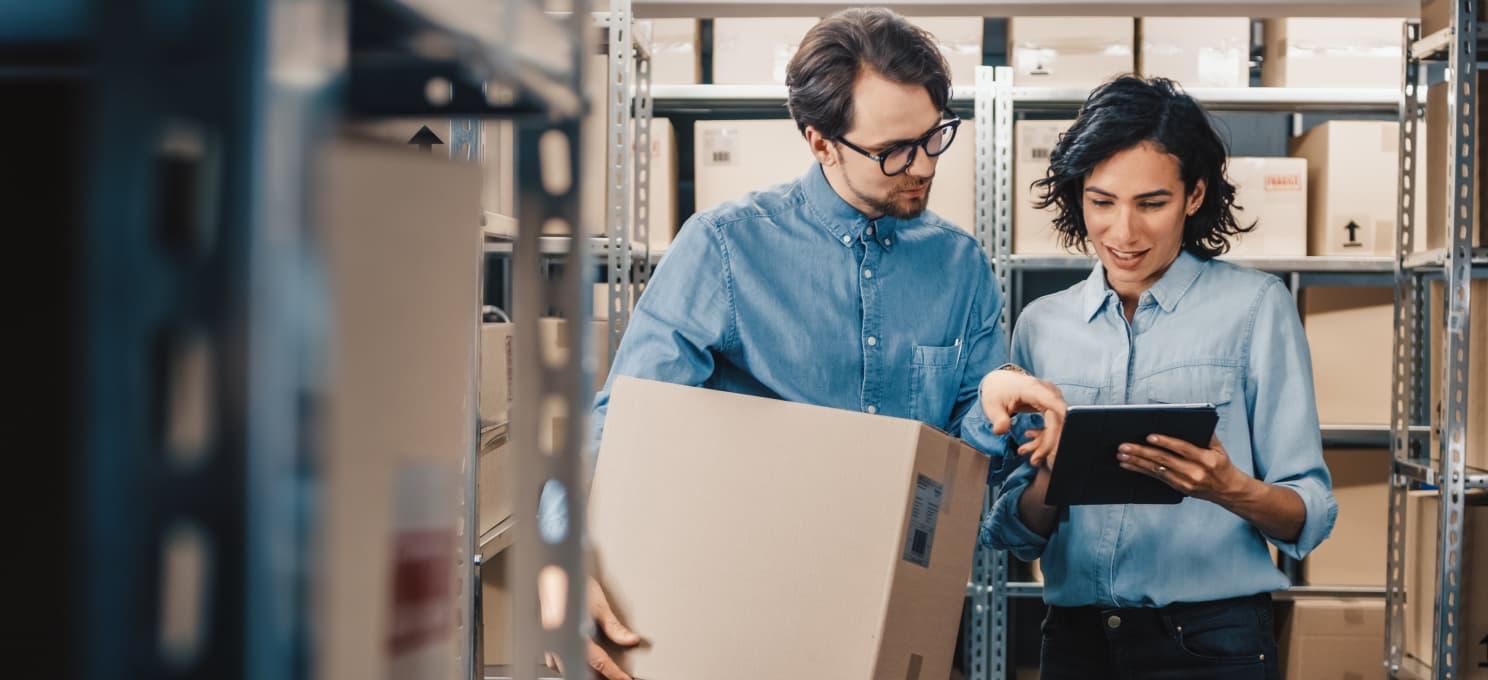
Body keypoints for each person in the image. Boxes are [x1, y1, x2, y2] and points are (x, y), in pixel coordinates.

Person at [543, 8, 1069, 679]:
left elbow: (960, 463)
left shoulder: (960, 265)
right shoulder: (727, 248)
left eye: (934, 136)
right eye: (892, 152)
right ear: (819, 141)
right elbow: (619, 424)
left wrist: (991, 400)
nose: (923, 166)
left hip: (908, 613)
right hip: (751, 615)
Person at [984, 76, 1337, 680]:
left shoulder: (1256, 309)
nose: (1124, 233)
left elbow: (1309, 513)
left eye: (1151, 203)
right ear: (1079, 197)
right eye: (1102, 202)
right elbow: (1018, 533)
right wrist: (1050, 470)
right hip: (1075, 643)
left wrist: (1229, 488)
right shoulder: (1041, 325)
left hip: (1210, 642)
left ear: (1194, 195)